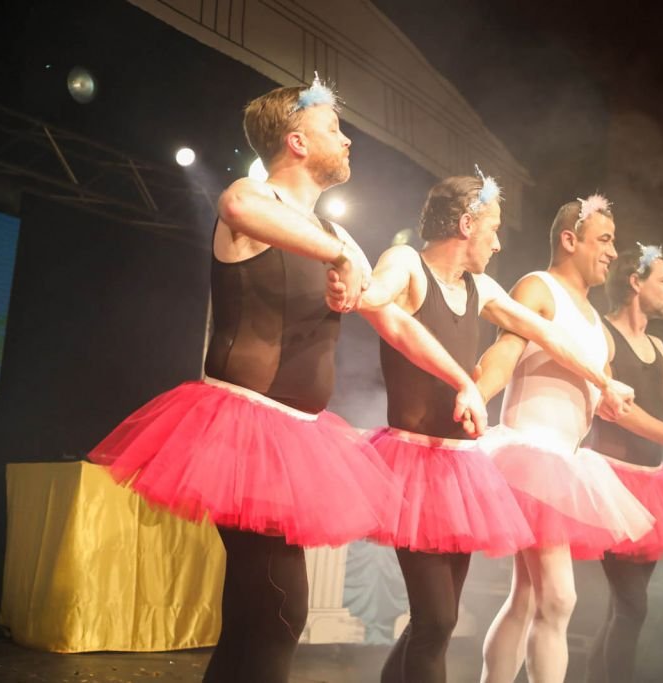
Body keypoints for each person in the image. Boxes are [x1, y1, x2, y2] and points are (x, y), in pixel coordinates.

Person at [88, 75, 485, 683]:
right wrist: (337, 258)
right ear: (296, 142)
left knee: (256, 618)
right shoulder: (254, 198)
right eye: (334, 129)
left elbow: (392, 320)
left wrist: (463, 380)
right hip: (242, 430)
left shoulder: (338, 236)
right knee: (279, 611)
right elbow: (236, 207)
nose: (347, 140)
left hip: (297, 436)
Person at [349, 172, 639, 683]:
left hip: (458, 467)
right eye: (494, 229)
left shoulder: (481, 287)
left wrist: (603, 382)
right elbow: (377, 297)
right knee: (437, 620)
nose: (500, 242)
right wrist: (352, 283)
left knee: (434, 624)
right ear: (467, 225)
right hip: (414, 461)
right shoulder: (406, 262)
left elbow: (548, 335)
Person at [476, 196, 663, 683]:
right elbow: (505, 351)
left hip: (563, 463)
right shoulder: (538, 287)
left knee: (528, 596)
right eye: (604, 240)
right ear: (571, 240)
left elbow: (615, 406)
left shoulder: (594, 323)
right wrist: (473, 395)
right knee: (559, 597)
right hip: (528, 453)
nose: (612, 251)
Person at [581, 244, 663, 683]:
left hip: (651, 486)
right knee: (632, 605)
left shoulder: (657, 345)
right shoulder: (602, 334)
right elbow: (616, 408)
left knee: (623, 608)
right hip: (611, 484)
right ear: (635, 283)